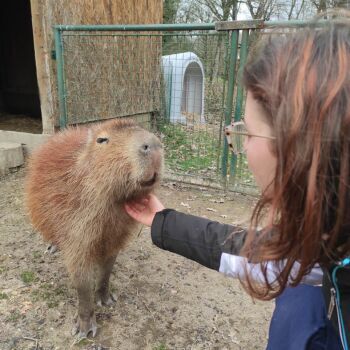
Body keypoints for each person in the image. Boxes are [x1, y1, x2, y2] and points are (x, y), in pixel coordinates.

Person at [125, 12, 350, 350]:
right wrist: (164, 222)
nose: (242, 147)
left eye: (248, 132)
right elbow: (271, 257)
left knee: (298, 308)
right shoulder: (332, 235)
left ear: (300, 148)